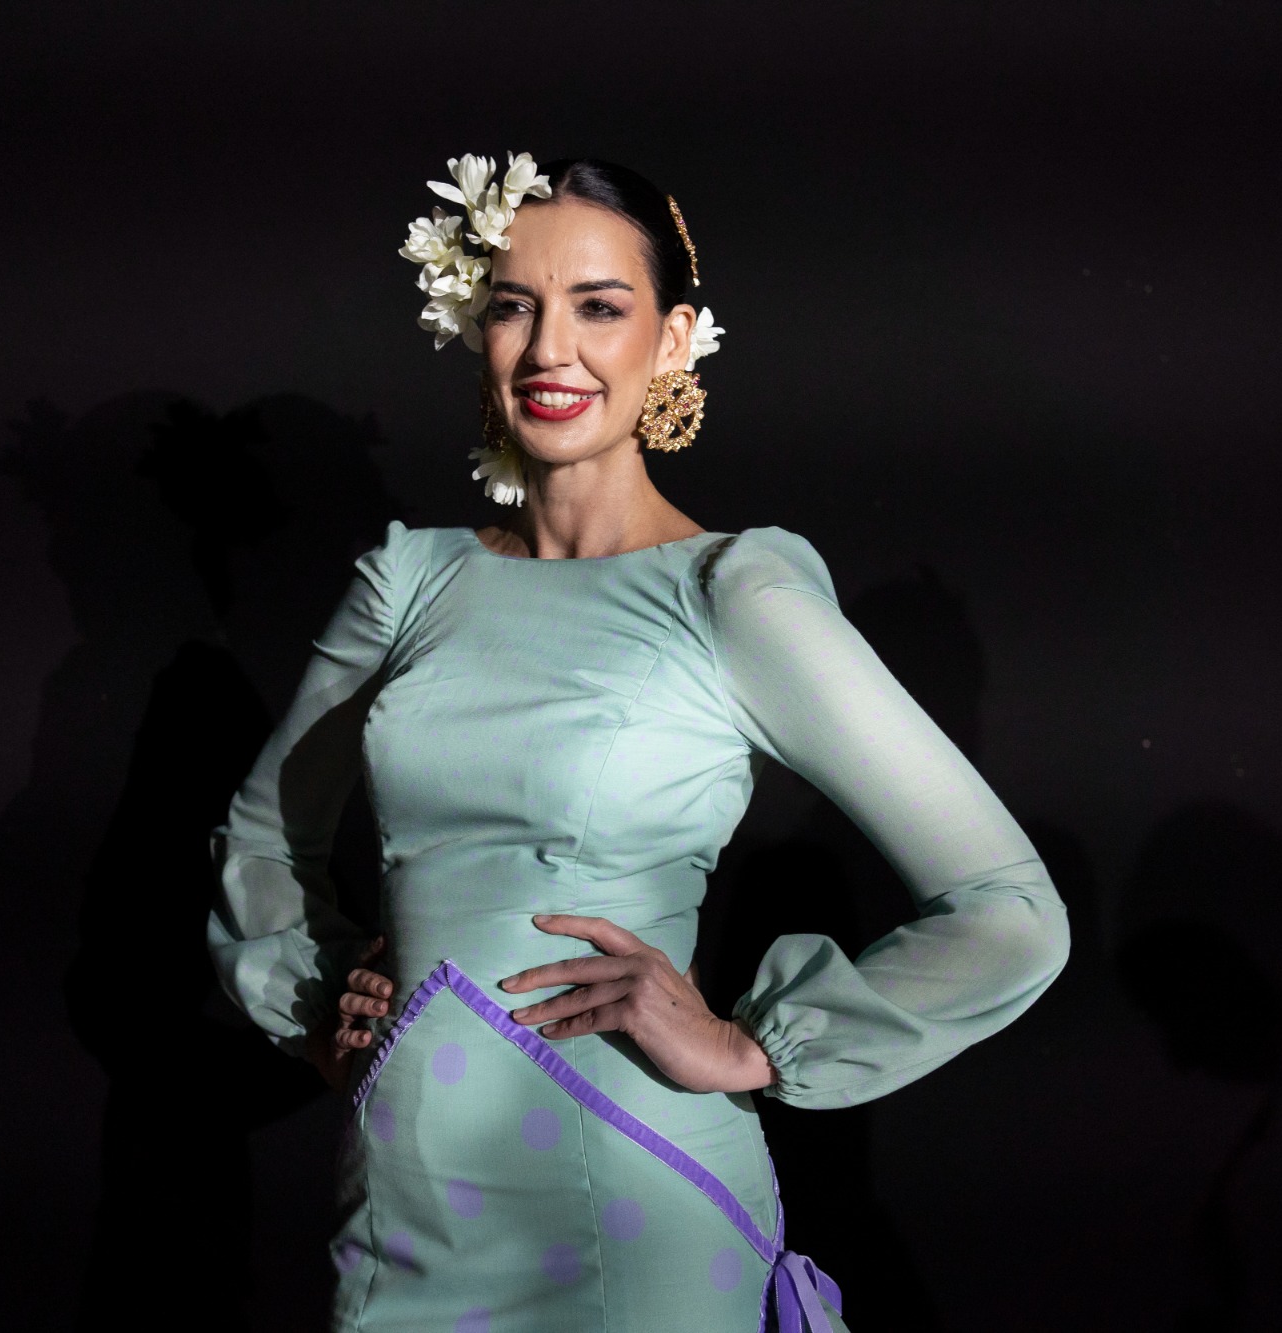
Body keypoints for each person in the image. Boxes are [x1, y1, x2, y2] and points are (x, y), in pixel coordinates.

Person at [206, 153, 1070, 1332]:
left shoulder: (733, 591)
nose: (549, 349)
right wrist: (315, 1004)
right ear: (474, 330)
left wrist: (746, 1046)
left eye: (598, 307)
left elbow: (1008, 910)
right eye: (514, 306)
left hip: (634, 1192)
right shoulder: (408, 582)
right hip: (404, 1206)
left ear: (670, 342)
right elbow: (262, 838)